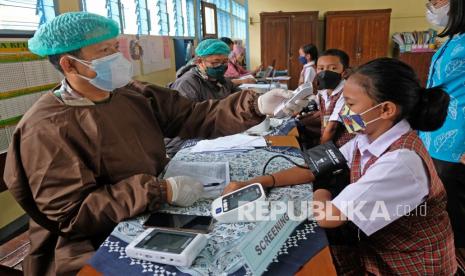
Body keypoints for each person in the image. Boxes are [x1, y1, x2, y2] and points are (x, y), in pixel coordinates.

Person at [3, 12, 308, 275]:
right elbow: (73, 215)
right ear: (69, 65)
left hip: (152, 208)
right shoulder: (46, 128)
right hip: (88, 241)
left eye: (115, 47)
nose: (117, 57)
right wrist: (160, 190)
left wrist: (255, 105)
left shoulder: (131, 93)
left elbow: (191, 115)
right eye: (104, 51)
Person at [224, 58, 457, 275]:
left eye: (351, 104)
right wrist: (258, 182)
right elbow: (312, 166)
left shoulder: (400, 162)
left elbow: (328, 216)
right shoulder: (367, 136)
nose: (343, 111)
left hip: (409, 264)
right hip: (379, 244)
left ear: (386, 109)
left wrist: (322, 187)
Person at [419, 0, 465, 251]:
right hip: (436, 134)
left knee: (455, 204)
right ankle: (447, 251)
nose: (431, 6)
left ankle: (457, 256)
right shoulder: (454, 38)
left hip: (457, 140)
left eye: (437, 0)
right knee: (441, 201)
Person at [298, 49, 354, 148]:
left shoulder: (347, 92)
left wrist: (320, 153)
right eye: (321, 68)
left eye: (332, 68)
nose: (325, 73)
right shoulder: (323, 90)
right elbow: (322, 111)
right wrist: (299, 119)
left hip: (346, 144)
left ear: (344, 72)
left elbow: (332, 128)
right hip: (330, 136)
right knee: (300, 126)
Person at [169, 39, 238, 102]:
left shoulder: (221, 80)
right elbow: (189, 113)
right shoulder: (187, 84)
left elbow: (238, 95)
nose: (221, 66)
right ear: (199, 61)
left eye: (225, 62)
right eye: (215, 62)